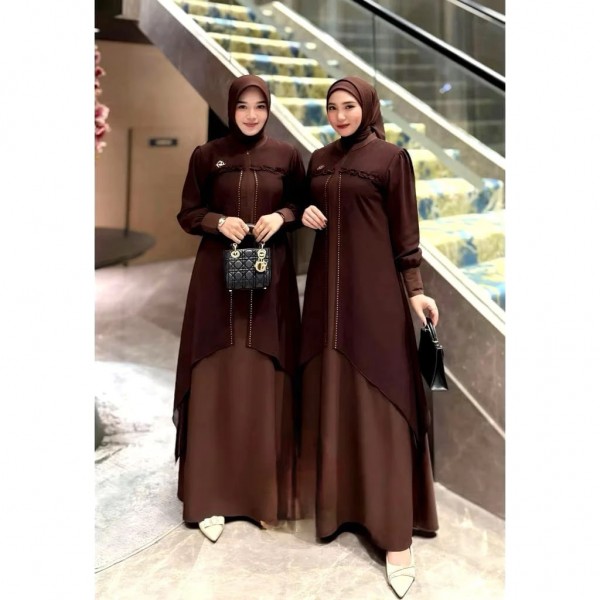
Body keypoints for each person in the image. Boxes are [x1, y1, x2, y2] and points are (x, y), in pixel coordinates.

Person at [298, 76, 439, 598]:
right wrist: (303, 212)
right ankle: (340, 509)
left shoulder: (391, 158)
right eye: (332, 107)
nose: (339, 115)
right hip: (325, 301)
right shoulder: (318, 160)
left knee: (382, 400)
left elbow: (406, 234)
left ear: (367, 107)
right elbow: (302, 207)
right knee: (335, 397)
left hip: (376, 298)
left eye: (349, 106)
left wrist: (415, 291)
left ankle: (395, 534)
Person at [173, 74, 305, 543]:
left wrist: (281, 216)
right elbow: (188, 213)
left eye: (259, 106)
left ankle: (261, 497)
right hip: (217, 284)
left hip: (270, 285)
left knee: (263, 383)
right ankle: (208, 497)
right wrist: (217, 221)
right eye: (243, 106)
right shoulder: (207, 155)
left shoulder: (287, 155)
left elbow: (301, 204)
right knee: (215, 380)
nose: (251, 114)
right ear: (230, 108)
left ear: (269, 108)